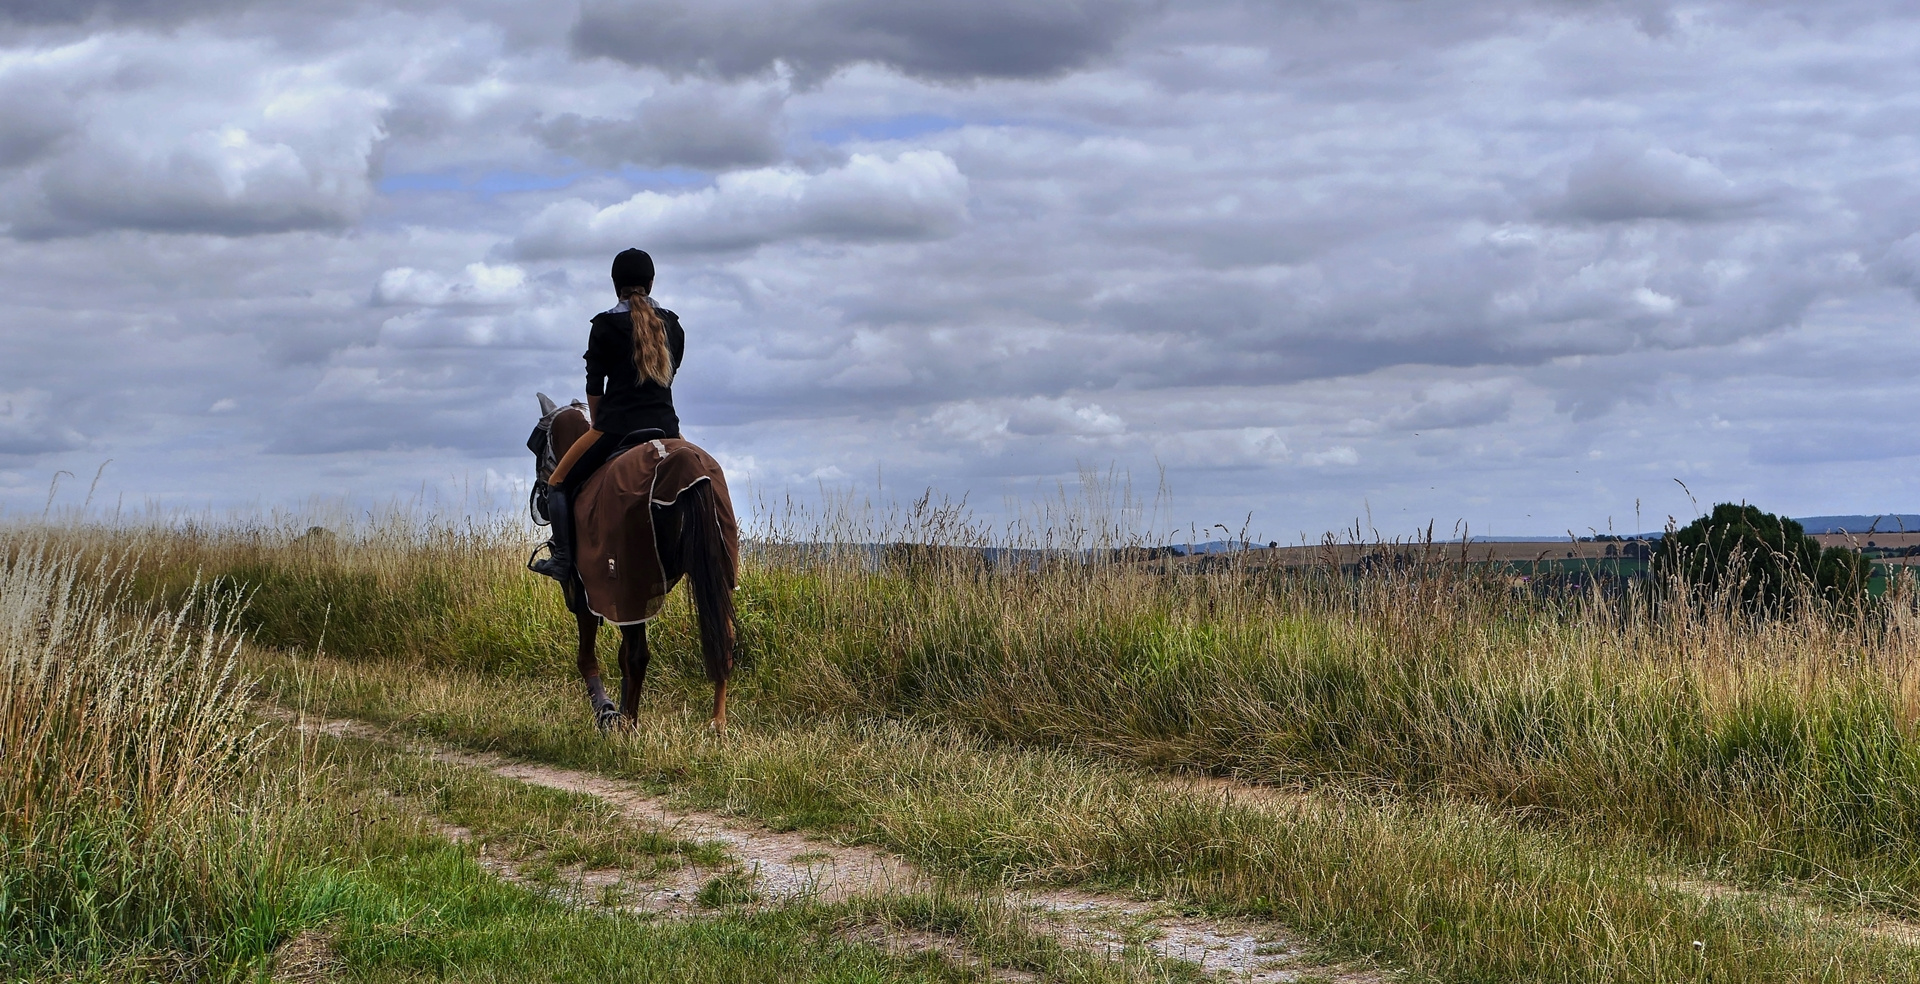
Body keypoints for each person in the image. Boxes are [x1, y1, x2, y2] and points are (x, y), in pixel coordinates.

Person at [531, 247, 686, 583]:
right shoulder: (673, 325)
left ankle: (562, 559)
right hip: (668, 430)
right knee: (702, 470)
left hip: (616, 428)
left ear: (615, 285)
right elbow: (669, 380)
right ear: (651, 282)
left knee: (557, 482)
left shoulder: (604, 326)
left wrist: (599, 423)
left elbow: (594, 387)